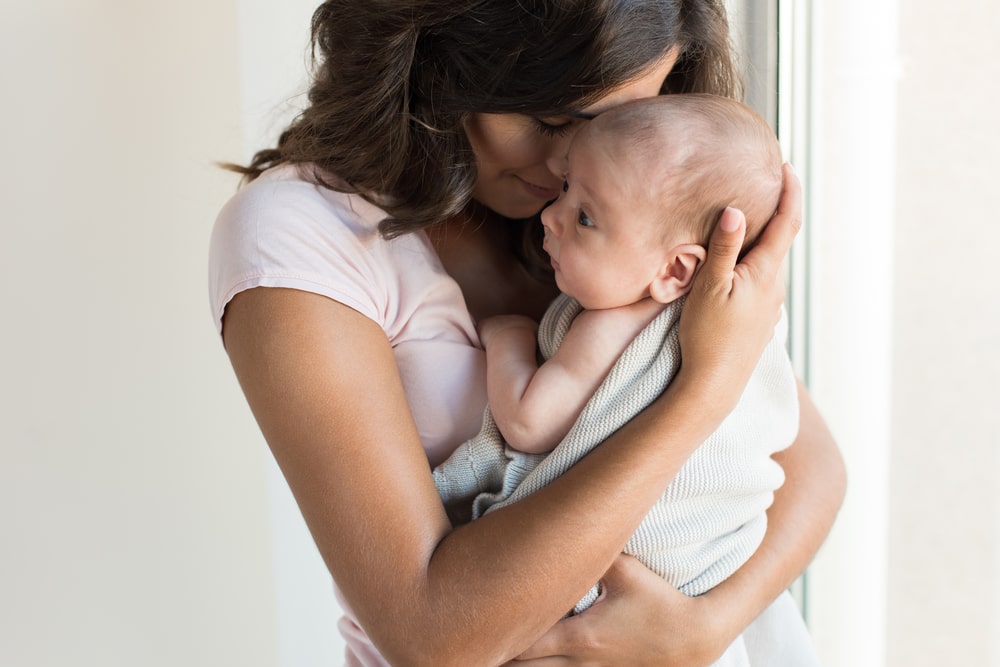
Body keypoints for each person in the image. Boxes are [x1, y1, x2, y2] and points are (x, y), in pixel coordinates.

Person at [209, 1, 846, 665]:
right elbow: (434, 636)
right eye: (546, 119)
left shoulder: (641, 207)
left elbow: (813, 466)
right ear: (440, 56)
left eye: (611, 122)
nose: (568, 157)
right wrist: (704, 390)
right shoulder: (298, 237)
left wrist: (705, 628)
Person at [433, 95, 803, 666]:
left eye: (585, 217)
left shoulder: (610, 325)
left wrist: (507, 336)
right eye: (565, 193)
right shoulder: (749, 317)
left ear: (676, 270)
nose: (550, 218)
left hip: (626, 587)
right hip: (708, 583)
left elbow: (529, 421)